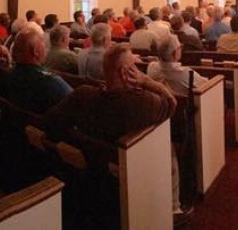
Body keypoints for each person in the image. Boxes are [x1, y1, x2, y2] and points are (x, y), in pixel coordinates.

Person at [42, 44, 190, 222]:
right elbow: (171, 103)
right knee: (169, 148)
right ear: (125, 72)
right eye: (133, 67)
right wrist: (146, 81)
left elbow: (51, 119)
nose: (137, 69)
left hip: (93, 170)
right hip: (133, 168)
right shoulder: (142, 103)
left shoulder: (82, 95)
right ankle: (174, 210)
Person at [6, 28, 74, 113]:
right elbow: (74, 102)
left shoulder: (10, 74)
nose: (45, 47)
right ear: (36, 52)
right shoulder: (49, 82)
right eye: (43, 44)